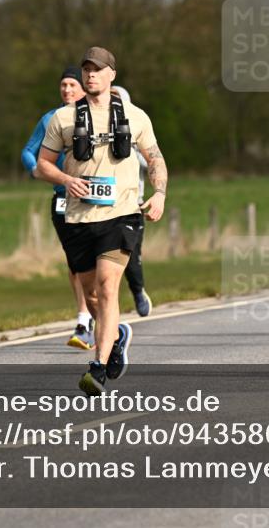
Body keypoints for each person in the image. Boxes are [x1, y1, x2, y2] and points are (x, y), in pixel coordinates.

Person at [35, 47, 167, 396]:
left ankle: (97, 367)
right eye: (86, 69)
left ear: (112, 75)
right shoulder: (62, 119)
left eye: (98, 69)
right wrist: (65, 180)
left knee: (108, 287)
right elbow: (42, 165)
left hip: (121, 214)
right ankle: (117, 335)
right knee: (92, 295)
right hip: (78, 217)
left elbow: (155, 158)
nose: (91, 75)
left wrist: (160, 193)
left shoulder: (135, 116)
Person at [22, 66, 97, 350]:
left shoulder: (98, 115)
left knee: (102, 260)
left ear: (84, 88)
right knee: (76, 261)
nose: (66, 90)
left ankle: (104, 312)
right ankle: (84, 320)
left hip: (96, 199)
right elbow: (28, 152)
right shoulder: (50, 118)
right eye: (63, 85)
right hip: (64, 197)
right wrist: (40, 172)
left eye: (71, 85)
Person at [112, 86, 153, 316]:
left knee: (130, 258)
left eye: (118, 99)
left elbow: (151, 163)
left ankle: (138, 290)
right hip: (102, 206)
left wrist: (131, 149)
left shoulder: (137, 127)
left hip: (132, 204)